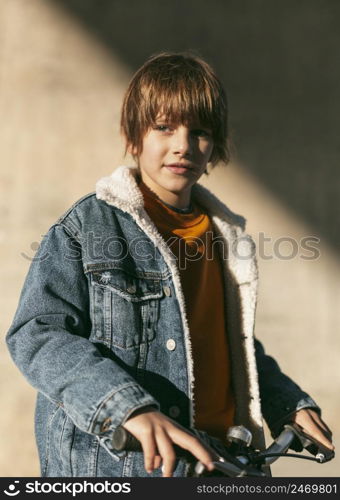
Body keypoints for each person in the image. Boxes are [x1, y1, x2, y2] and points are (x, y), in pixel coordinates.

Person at [6, 52, 334, 478]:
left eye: (198, 131)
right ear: (133, 135)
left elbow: (232, 345)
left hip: (223, 464)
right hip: (125, 469)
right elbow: (38, 334)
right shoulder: (86, 227)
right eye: (164, 127)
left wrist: (285, 404)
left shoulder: (223, 235)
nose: (183, 145)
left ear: (214, 143)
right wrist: (126, 407)